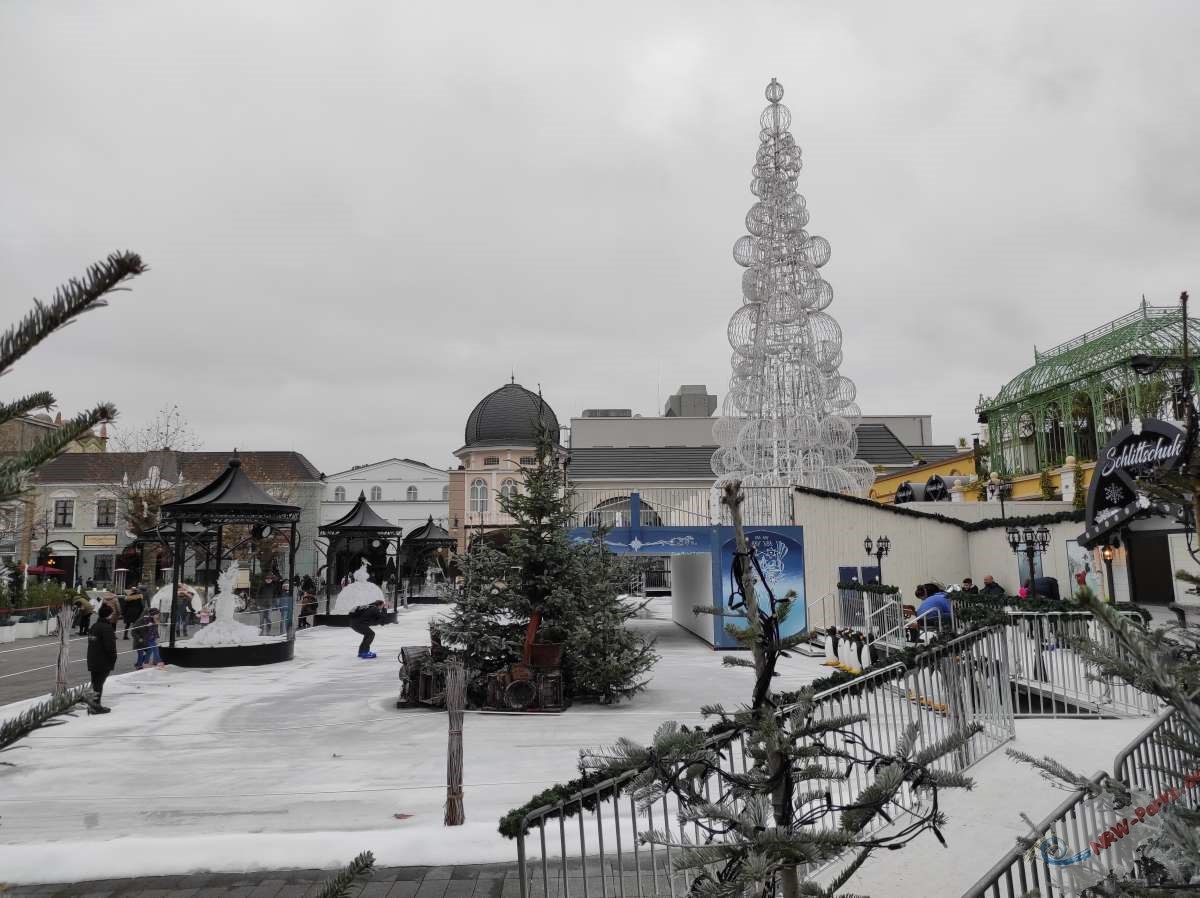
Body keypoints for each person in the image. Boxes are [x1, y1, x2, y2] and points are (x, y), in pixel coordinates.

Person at [86, 604, 118, 713]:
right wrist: (113, 658)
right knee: (98, 683)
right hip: (103, 660)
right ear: (109, 615)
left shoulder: (94, 626)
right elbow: (110, 646)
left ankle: (92, 704)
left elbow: (91, 641)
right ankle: (95, 706)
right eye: (112, 614)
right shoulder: (107, 628)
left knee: (95, 682)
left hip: (93, 658)